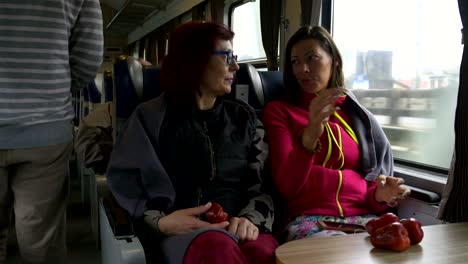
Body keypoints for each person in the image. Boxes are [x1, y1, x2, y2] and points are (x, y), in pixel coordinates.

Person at [106, 21, 278, 264]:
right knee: (216, 249)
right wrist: (161, 221)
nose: (235, 66)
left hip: (239, 225)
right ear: (194, 60)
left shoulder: (246, 118)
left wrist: (250, 218)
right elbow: (127, 185)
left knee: (262, 253)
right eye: (226, 56)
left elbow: (263, 186)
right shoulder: (149, 118)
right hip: (181, 233)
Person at [262, 26, 411, 242]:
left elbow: (367, 188)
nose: (302, 68)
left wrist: (380, 195)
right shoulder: (279, 111)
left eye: (311, 58)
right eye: (295, 61)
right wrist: (311, 133)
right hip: (308, 219)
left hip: (362, 218)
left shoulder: (355, 115)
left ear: (334, 61)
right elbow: (287, 186)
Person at [0, 0, 103, 263]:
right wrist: (52, 92)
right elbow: (89, 57)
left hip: (47, 128)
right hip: (46, 130)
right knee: (42, 244)